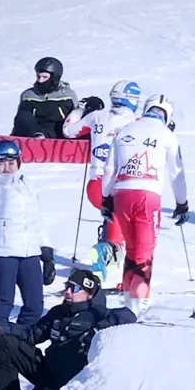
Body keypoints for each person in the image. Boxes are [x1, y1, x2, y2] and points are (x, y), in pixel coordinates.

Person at [0, 269, 136, 390]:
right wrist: (2, 329)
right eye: (67, 286)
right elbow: (32, 334)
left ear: (89, 293)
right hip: (47, 373)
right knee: (6, 343)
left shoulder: (99, 315)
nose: (68, 291)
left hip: (68, 386)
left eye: (75, 288)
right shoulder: (59, 312)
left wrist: (96, 330)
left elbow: (128, 316)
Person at [106, 95, 189, 309]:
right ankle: (138, 303)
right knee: (145, 252)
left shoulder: (124, 130)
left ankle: (126, 300)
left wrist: (106, 198)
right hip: (147, 194)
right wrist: (182, 203)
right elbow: (176, 174)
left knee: (132, 249)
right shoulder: (167, 135)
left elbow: (109, 169)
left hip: (121, 193)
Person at [0, 138, 52, 330]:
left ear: (19, 162)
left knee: (35, 306)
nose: (6, 168)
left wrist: (46, 251)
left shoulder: (27, 185)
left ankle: (18, 344)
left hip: (30, 252)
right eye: (1, 163)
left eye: (11, 163)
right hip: (3, 254)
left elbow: (36, 220)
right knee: (4, 303)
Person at [64, 80, 143, 274]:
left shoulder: (97, 116)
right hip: (120, 184)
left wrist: (81, 107)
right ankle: (110, 267)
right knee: (123, 221)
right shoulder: (137, 121)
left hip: (95, 183)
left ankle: (108, 257)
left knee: (114, 219)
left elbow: (68, 130)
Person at [10, 56, 76, 139]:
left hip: (59, 136)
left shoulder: (67, 95)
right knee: (23, 115)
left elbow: (76, 118)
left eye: (44, 77)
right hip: (34, 134)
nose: (40, 81)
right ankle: (38, 138)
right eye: (38, 77)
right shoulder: (28, 95)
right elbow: (21, 121)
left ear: (54, 78)